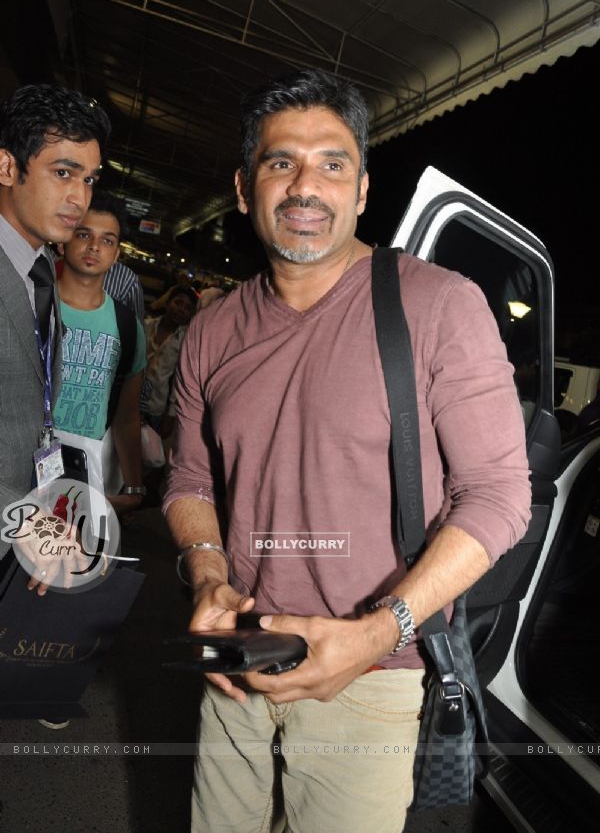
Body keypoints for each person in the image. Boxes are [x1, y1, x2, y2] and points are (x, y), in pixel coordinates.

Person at [164, 69, 531, 832]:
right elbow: (192, 477)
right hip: (237, 663)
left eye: (333, 163)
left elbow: (500, 496)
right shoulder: (210, 331)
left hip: (372, 677)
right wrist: (206, 575)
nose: (306, 185)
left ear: (363, 190)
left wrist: (377, 630)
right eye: (281, 162)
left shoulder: (439, 306)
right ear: (243, 187)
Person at [0, 83, 110, 595]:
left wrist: (43, 514)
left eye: (88, 179)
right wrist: (28, 524)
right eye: (62, 173)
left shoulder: (42, 269)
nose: (79, 198)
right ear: (7, 168)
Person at [53, 190, 146, 515]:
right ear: (64, 240)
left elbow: (126, 415)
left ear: (117, 253)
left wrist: (134, 486)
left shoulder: (127, 327)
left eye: (107, 240)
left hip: (83, 469)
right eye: (84, 234)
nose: (95, 247)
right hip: (18, 454)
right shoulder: (32, 304)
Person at [141, 284, 196, 436]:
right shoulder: (146, 326)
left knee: (147, 455)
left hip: (155, 407)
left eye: (187, 308)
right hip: (129, 399)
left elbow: (179, 380)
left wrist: (170, 415)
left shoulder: (184, 342)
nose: (181, 309)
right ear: (167, 303)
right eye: (178, 303)